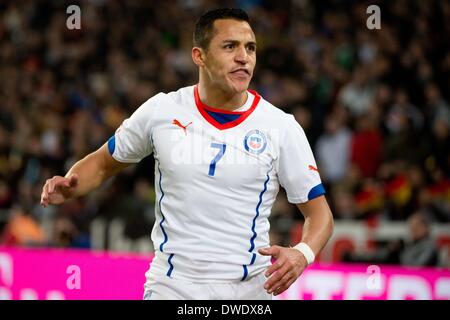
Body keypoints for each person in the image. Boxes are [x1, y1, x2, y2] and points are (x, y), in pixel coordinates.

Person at [40, 8, 334, 300]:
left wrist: (302, 253)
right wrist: (71, 183)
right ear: (199, 56)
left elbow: (320, 215)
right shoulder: (162, 111)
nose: (243, 56)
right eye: (230, 46)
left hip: (249, 292)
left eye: (250, 48)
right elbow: (104, 163)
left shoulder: (280, 127)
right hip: (172, 287)